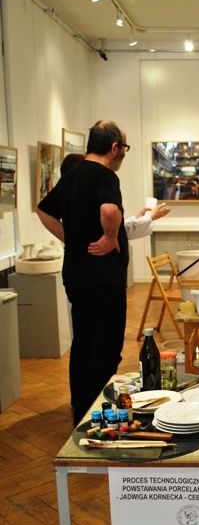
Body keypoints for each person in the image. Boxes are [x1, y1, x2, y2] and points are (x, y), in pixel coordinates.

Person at [36, 120, 139, 425]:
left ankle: (80, 410)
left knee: (82, 344)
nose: (124, 154)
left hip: (77, 276)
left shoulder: (71, 176)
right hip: (103, 278)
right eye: (124, 148)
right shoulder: (104, 175)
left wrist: (71, 238)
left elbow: (43, 210)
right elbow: (109, 210)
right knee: (106, 348)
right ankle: (100, 414)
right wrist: (109, 237)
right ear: (114, 148)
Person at [60, 153, 170, 238]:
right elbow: (113, 231)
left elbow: (115, 229)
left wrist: (140, 218)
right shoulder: (82, 201)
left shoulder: (75, 196)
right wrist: (149, 217)